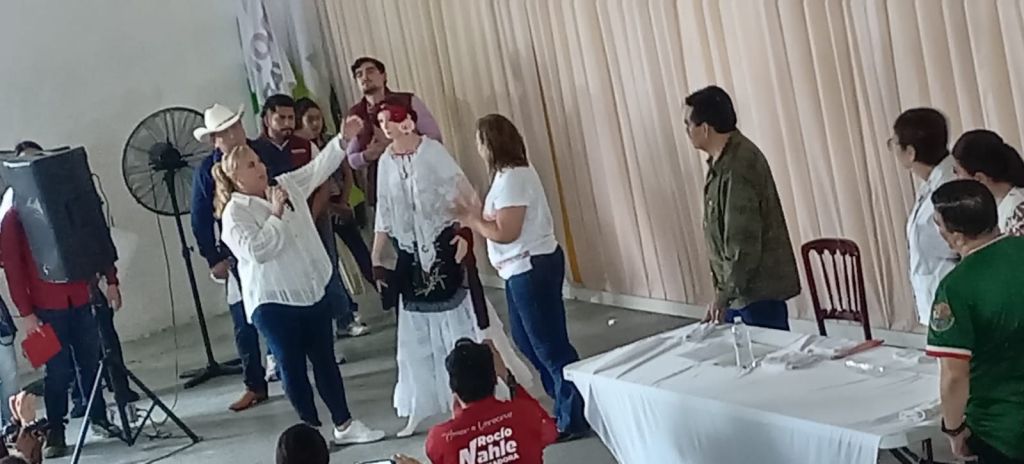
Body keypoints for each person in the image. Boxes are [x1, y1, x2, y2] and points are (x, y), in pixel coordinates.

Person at [370, 98, 532, 438]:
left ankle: (487, 391)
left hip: (444, 248)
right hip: (410, 257)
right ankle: (422, 403)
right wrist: (376, 256)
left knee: (467, 323)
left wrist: (465, 234)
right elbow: (384, 211)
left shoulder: (432, 153)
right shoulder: (385, 162)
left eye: (390, 120)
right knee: (416, 334)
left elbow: (466, 197)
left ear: (406, 121)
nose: (385, 127)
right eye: (381, 122)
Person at [214, 138, 385, 445]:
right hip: (273, 301)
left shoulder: (285, 185)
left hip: (310, 289)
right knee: (291, 366)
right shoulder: (234, 214)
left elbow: (317, 169)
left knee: (325, 361)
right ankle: (312, 431)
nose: (260, 168)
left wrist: (342, 141)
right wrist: (276, 213)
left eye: (259, 161)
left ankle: (344, 424)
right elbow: (258, 251)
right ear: (237, 178)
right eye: (251, 165)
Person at [454, 114, 589, 441]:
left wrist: (473, 220)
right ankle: (563, 401)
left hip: (531, 267)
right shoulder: (505, 177)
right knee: (526, 340)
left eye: (480, 141)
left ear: (490, 143)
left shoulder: (514, 177)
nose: (478, 148)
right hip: (518, 269)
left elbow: (506, 232)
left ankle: (574, 413)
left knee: (549, 345)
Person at [0, 178, 122, 458]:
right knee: (57, 371)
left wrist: (111, 279)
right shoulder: (14, 213)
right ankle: (55, 428)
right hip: (45, 305)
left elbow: (95, 240)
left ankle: (98, 416)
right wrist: (26, 313)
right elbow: (14, 268)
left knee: (91, 362)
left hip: (81, 296)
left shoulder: (68, 200)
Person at [683, 86, 801, 330]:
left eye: (688, 124)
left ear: (705, 128)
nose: (686, 131)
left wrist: (722, 296)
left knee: (763, 352)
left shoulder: (738, 167)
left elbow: (742, 242)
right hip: (740, 292)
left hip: (756, 294)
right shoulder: (723, 162)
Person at [192, 103, 284, 410]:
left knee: (282, 313)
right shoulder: (207, 171)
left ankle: (288, 370)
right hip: (237, 255)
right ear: (215, 139)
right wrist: (213, 257)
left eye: (236, 127)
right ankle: (254, 383)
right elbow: (200, 218)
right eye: (226, 131)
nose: (234, 135)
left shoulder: (265, 152)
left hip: (276, 242)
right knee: (243, 322)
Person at [925, 179, 1024, 463]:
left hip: (1000, 428)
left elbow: (954, 375)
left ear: (955, 235)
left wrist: (953, 429)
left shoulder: (956, 288)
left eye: (938, 224)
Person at [393, 339, 558, 464]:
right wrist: (508, 378)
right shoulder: (526, 414)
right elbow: (550, 430)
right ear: (494, 379)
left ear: (453, 389)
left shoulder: (440, 438)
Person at [290, 97, 370, 338]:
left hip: (337, 206)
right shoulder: (298, 147)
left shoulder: (325, 142)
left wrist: (343, 202)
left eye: (318, 118)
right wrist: (320, 213)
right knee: (329, 267)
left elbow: (345, 173)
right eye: (310, 119)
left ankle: (386, 295)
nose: (316, 123)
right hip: (317, 212)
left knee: (360, 253)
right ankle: (344, 315)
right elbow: (313, 181)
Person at [343, 57, 444, 208]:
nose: (364, 77)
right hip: (382, 186)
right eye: (359, 75)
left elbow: (435, 138)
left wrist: (399, 143)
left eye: (370, 71)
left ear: (384, 76)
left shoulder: (407, 101)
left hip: (418, 178)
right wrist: (368, 155)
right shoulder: (356, 114)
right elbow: (352, 159)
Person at [890, 108, 959, 324]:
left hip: (952, 298)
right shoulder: (932, 182)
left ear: (910, 152)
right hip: (936, 297)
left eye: (894, 143)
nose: (893, 149)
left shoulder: (949, 186)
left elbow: (962, 245)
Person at [951, 129, 1024, 236]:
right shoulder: (998, 206)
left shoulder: (1018, 213)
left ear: (979, 178)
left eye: (957, 172)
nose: (956, 179)